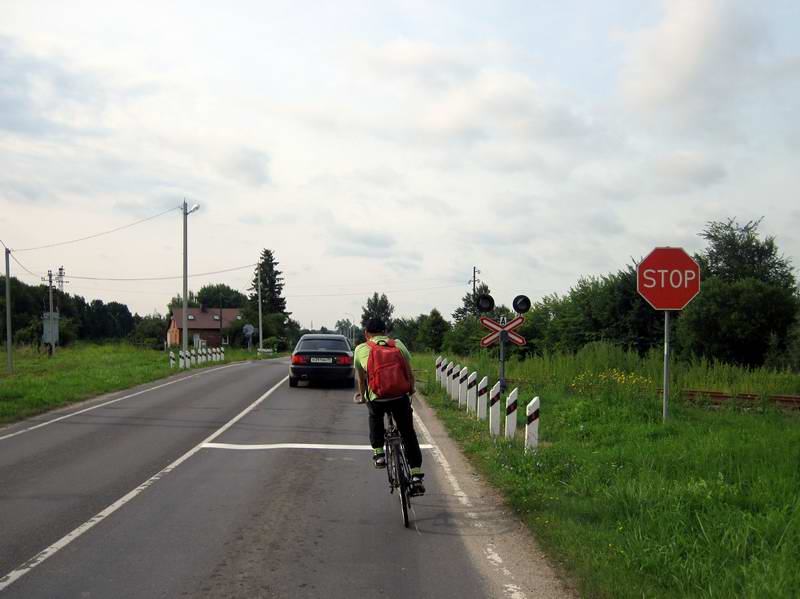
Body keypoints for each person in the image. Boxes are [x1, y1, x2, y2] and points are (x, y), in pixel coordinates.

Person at [353, 317, 425, 496]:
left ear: (366, 333)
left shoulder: (361, 349)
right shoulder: (398, 345)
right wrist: (411, 389)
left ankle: (379, 454)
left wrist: (363, 396)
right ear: (385, 332)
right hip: (400, 396)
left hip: (378, 398)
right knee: (408, 432)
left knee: (374, 415)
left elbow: (361, 379)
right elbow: (408, 369)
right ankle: (416, 475)